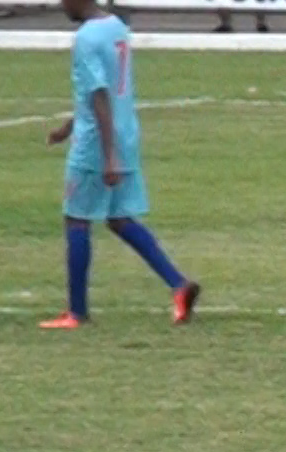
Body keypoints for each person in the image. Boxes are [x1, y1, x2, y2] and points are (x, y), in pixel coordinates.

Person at [40, 0, 201, 330]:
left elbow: (99, 95)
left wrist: (107, 155)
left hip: (97, 145)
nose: (59, 5)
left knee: (77, 219)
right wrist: (69, 125)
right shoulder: (116, 26)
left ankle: (76, 312)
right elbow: (107, 90)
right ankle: (178, 285)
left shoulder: (86, 38)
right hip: (125, 134)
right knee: (118, 218)